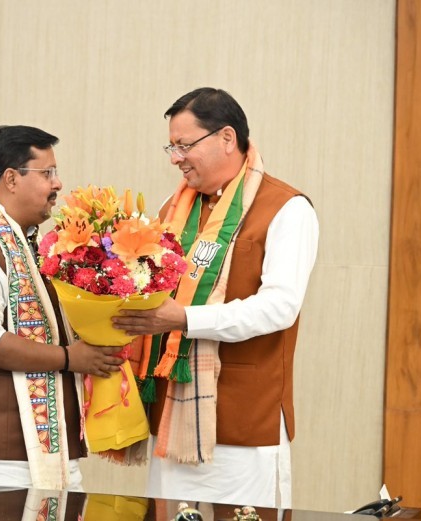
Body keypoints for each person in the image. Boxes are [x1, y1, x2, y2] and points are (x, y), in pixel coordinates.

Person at [113, 88, 319, 508]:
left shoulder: (287, 208)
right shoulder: (173, 208)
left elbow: (279, 308)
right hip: (171, 418)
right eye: (172, 147)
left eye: (184, 145)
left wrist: (185, 319)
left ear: (227, 138)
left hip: (245, 421)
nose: (176, 158)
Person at [0, 125, 124, 491]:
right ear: (11, 179)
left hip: (42, 455)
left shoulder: (33, 247)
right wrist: (70, 359)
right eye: (47, 173)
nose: (58, 184)